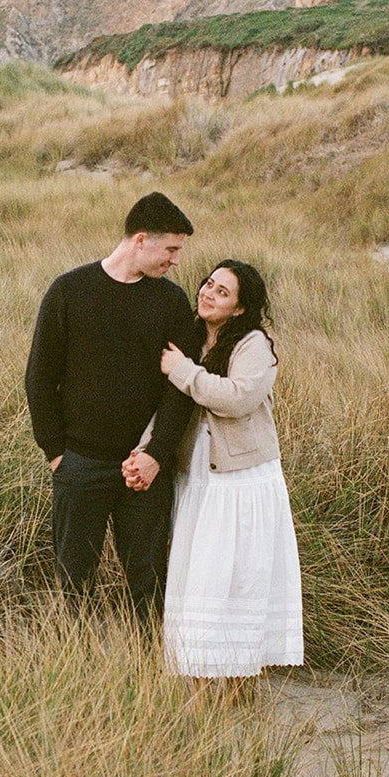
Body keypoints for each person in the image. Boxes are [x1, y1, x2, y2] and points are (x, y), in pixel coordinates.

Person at [125, 261, 302, 690]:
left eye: (222, 292)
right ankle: (204, 688)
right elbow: (171, 405)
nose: (208, 293)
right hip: (199, 480)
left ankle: (240, 688)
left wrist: (183, 370)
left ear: (240, 309)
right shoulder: (191, 340)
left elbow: (237, 399)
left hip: (241, 483)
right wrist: (147, 448)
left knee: (238, 583)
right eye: (208, 284)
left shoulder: (253, 345)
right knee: (201, 582)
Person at [25, 192, 196, 621]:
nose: (175, 260)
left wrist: (157, 454)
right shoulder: (70, 291)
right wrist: (56, 453)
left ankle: (149, 672)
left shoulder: (171, 302)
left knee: (148, 579)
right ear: (141, 240)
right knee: (74, 579)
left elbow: (181, 389)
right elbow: (40, 377)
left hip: (145, 469)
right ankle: (75, 672)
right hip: (79, 463)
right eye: (171, 249)